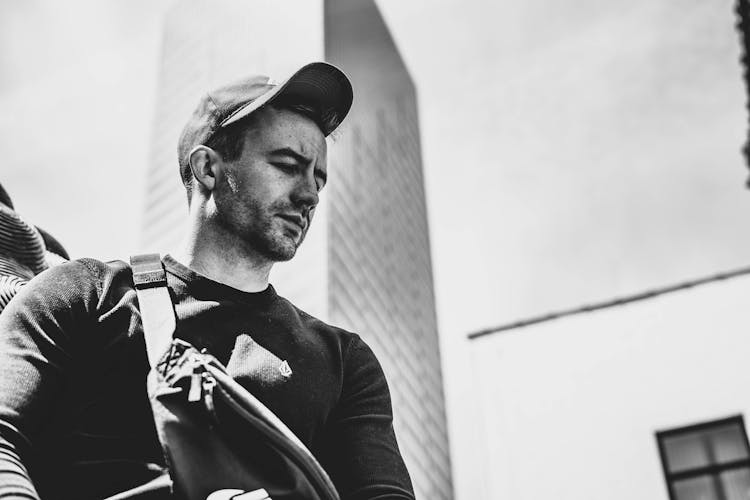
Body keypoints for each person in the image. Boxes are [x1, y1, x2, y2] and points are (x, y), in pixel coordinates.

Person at [0, 62, 414, 500]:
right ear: (208, 169)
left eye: (319, 178)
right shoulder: (81, 295)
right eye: (288, 165)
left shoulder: (344, 361)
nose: (310, 194)